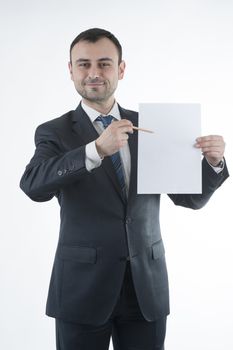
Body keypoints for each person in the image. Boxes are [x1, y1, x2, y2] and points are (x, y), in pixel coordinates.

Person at [20, 28, 229, 350]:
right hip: (82, 288)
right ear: (71, 70)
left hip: (146, 286)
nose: (93, 73)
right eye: (83, 64)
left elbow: (190, 199)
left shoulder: (154, 126)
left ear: (120, 69)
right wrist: (95, 151)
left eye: (104, 64)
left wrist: (213, 163)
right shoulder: (54, 131)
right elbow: (34, 185)